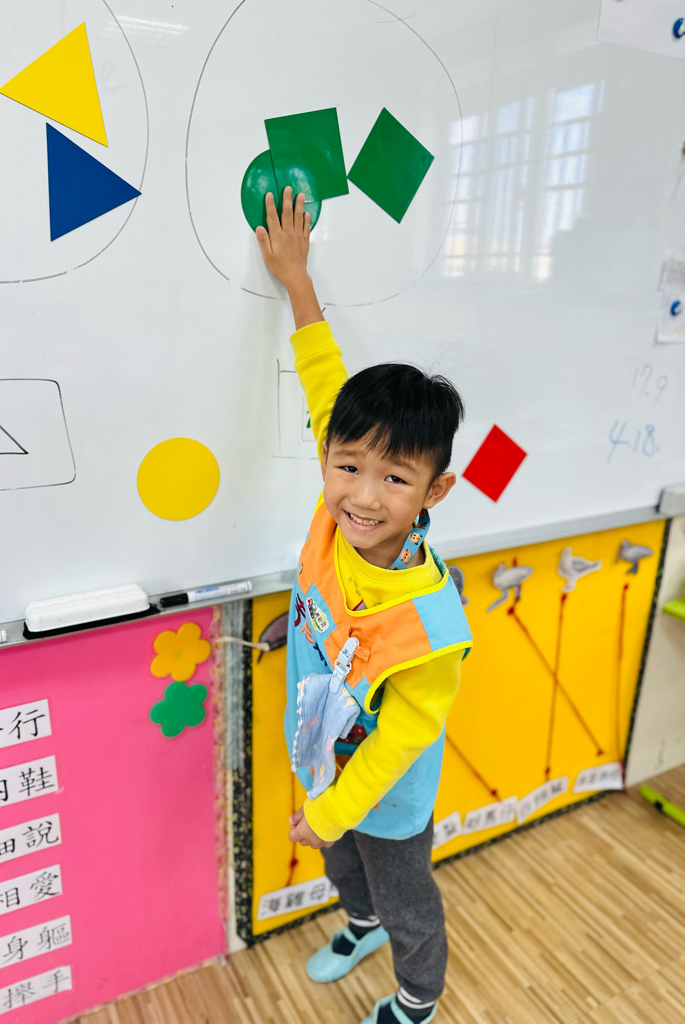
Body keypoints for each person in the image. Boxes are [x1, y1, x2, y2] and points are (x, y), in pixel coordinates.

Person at [255, 187, 473, 1024]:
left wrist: (329, 811)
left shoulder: (432, 626)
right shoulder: (335, 501)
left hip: (384, 792)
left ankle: (417, 997)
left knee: (403, 890)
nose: (363, 496)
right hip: (322, 752)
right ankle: (359, 924)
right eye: (348, 466)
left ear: (433, 491)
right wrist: (297, 281)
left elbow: (398, 743)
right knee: (343, 869)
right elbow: (324, 381)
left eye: (395, 478)